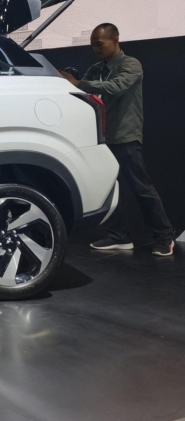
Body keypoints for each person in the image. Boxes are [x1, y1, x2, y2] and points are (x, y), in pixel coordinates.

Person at [59, 23, 175, 256]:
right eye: (92, 45)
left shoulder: (131, 64)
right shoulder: (95, 69)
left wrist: (79, 83)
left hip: (125, 136)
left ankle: (164, 236)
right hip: (103, 139)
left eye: (99, 44)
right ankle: (119, 236)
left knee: (141, 188)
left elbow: (116, 87)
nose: (95, 49)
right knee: (113, 189)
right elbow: (84, 94)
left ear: (115, 40)